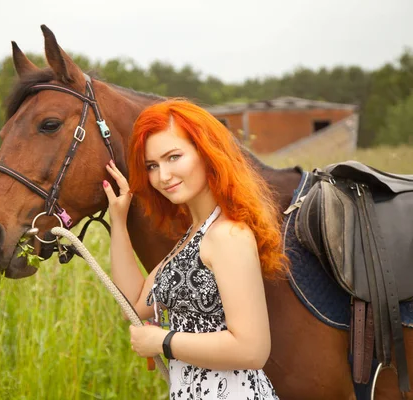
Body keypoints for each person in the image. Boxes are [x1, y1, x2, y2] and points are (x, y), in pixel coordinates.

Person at [102, 99, 287, 399]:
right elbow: (136, 305)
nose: (163, 176)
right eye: (152, 166)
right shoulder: (191, 239)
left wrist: (164, 342)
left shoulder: (228, 235)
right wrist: (119, 222)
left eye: (173, 157)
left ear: (206, 152)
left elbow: (252, 350)